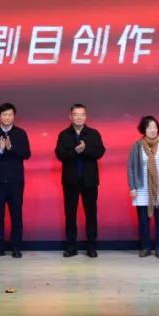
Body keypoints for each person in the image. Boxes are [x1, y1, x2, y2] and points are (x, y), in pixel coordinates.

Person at [54, 103, 106, 258]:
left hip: (89, 181)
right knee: (70, 214)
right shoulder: (64, 135)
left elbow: (100, 151)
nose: (79, 117)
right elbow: (60, 154)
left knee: (91, 214)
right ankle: (71, 247)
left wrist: (85, 149)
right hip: (70, 181)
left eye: (82, 114)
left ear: (86, 116)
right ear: (70, 116)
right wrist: (75, 151)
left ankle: (91, 247)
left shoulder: (93, 133)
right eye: (76, 114)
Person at [0, 102, 31, 258]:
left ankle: (16, 247)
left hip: (15, 182)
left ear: (14, 116)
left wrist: (11, 149)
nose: (7, 117)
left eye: (10, 114)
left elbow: (27, 154)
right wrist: (0, 150)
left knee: (16, 215)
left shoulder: (21, 134)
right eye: (4, 115)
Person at [128, 115, 159, 258]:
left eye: (155, 127)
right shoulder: (137, 146)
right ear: (144, 129)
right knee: (143, 223)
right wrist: (132, 186)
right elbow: (131, 167)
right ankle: (145, 247)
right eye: (149, 127)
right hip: (142, 189)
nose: (152, 130)